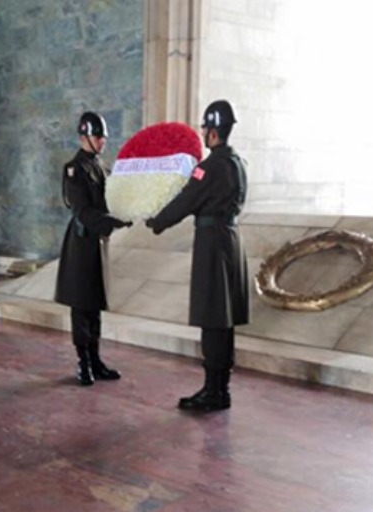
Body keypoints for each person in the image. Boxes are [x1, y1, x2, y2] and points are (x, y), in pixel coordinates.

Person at [146, 100, 249, 412]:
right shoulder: (238, 162)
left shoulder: (211, 166)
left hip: (212, 244)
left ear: (214, 131)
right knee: (224, 320)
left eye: (206, 128)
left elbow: (187, 200)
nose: (203, 133)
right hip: (230, 242)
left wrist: (157, 221)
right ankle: (221, 388)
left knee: (212, 317)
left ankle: (213, 392)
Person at [55, 111, 132, 386]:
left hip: (97, 241)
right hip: (82, 241)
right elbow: (82, 210)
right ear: (84, 136)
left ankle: (96, 360)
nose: (102, 142)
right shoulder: (73, 168)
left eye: (104, 138)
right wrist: (111, 222)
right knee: (81, 305)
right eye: (98, 137)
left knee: (95, 303)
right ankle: (83, 362)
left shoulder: (102, 166)